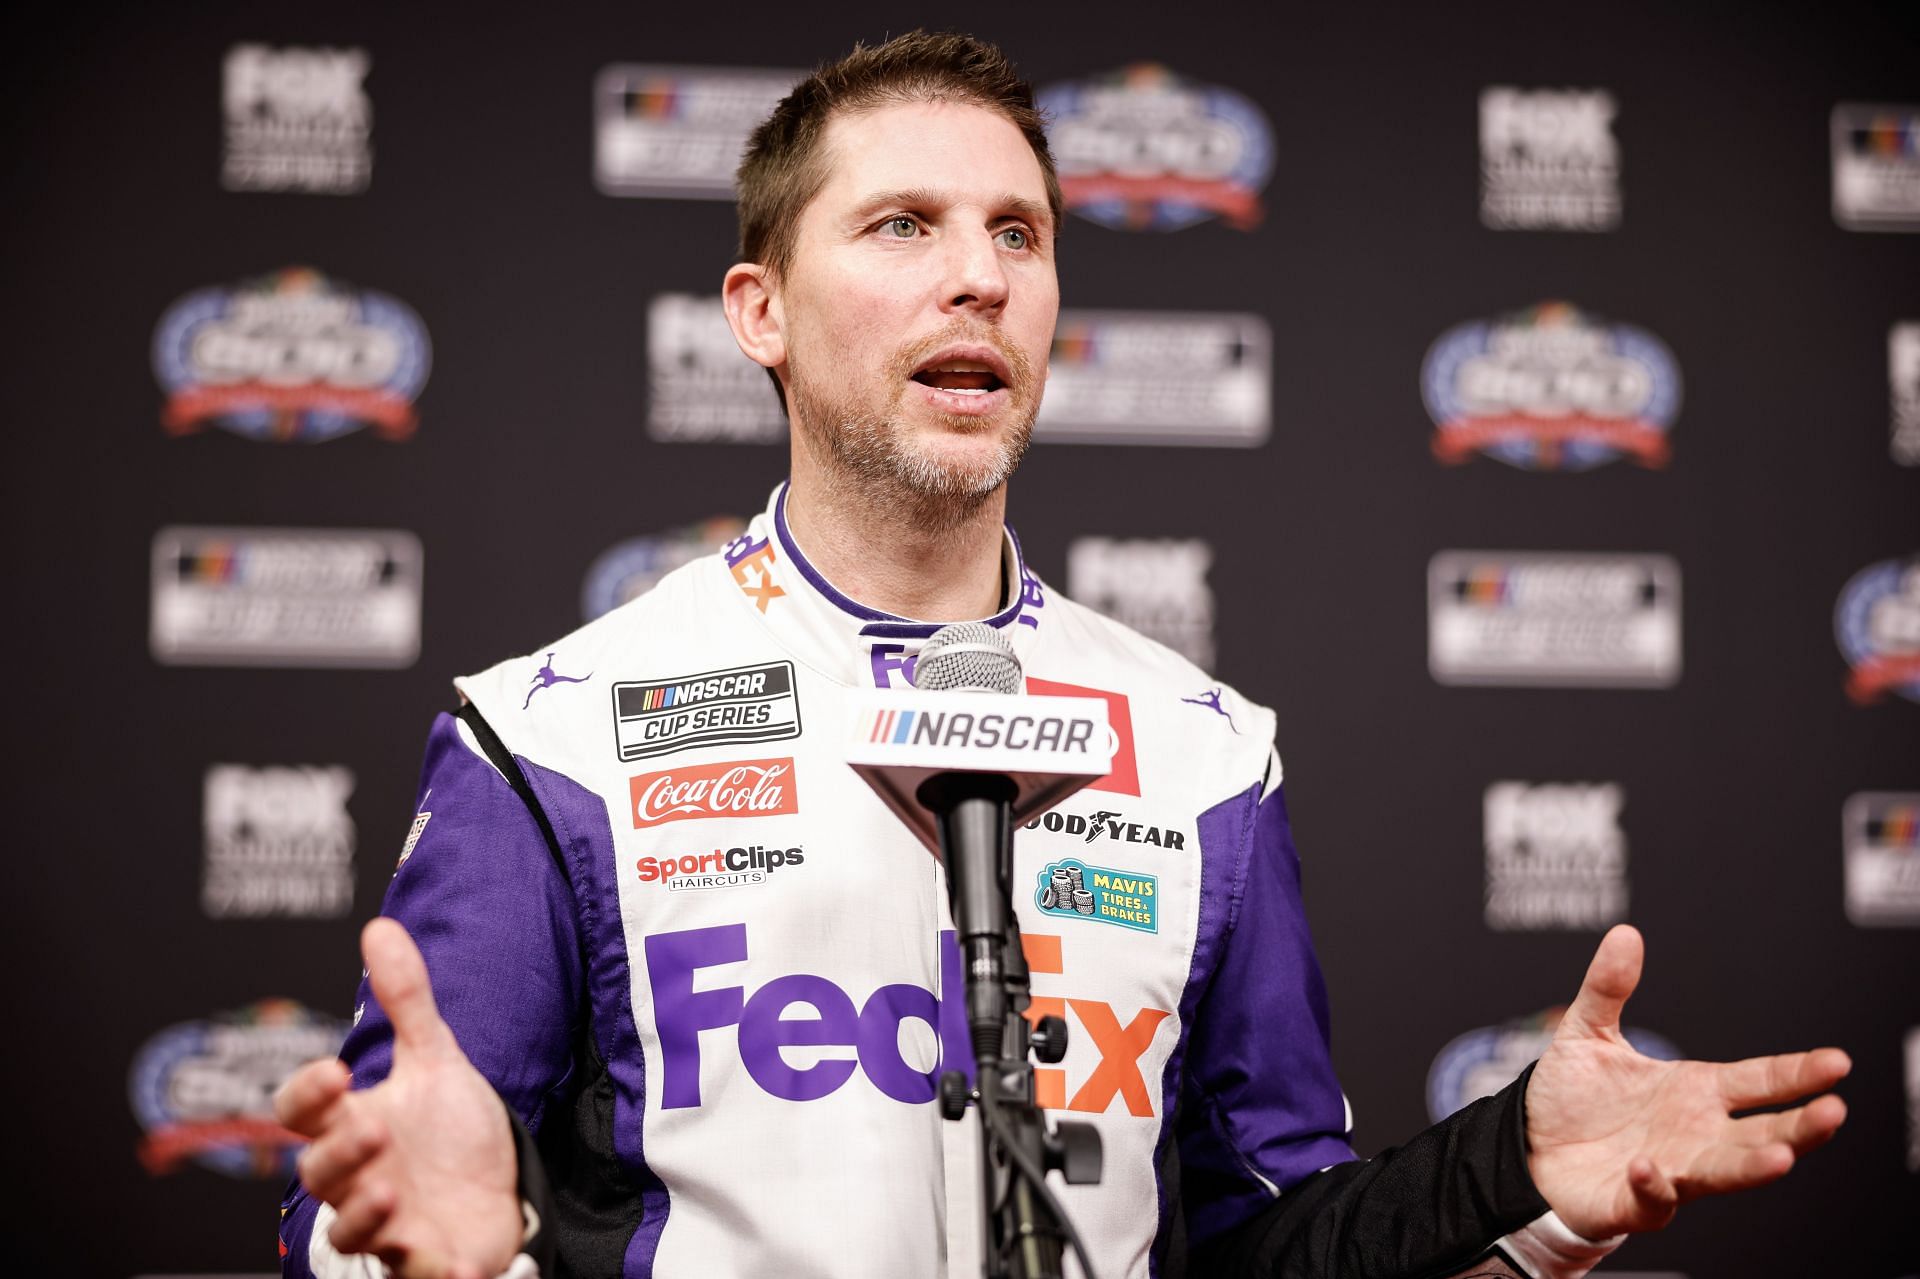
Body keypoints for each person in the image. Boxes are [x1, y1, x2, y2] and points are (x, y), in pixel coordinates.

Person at [273, 31, 1850, 1279]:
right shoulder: (553, 732)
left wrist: (1517, 1180)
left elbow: (1262, 1244)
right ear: (757, 310)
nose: (981, 274)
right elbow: (380, 1205)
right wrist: (428, 1270)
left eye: (1017, 232)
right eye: (904, 225)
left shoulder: (1203, 746)